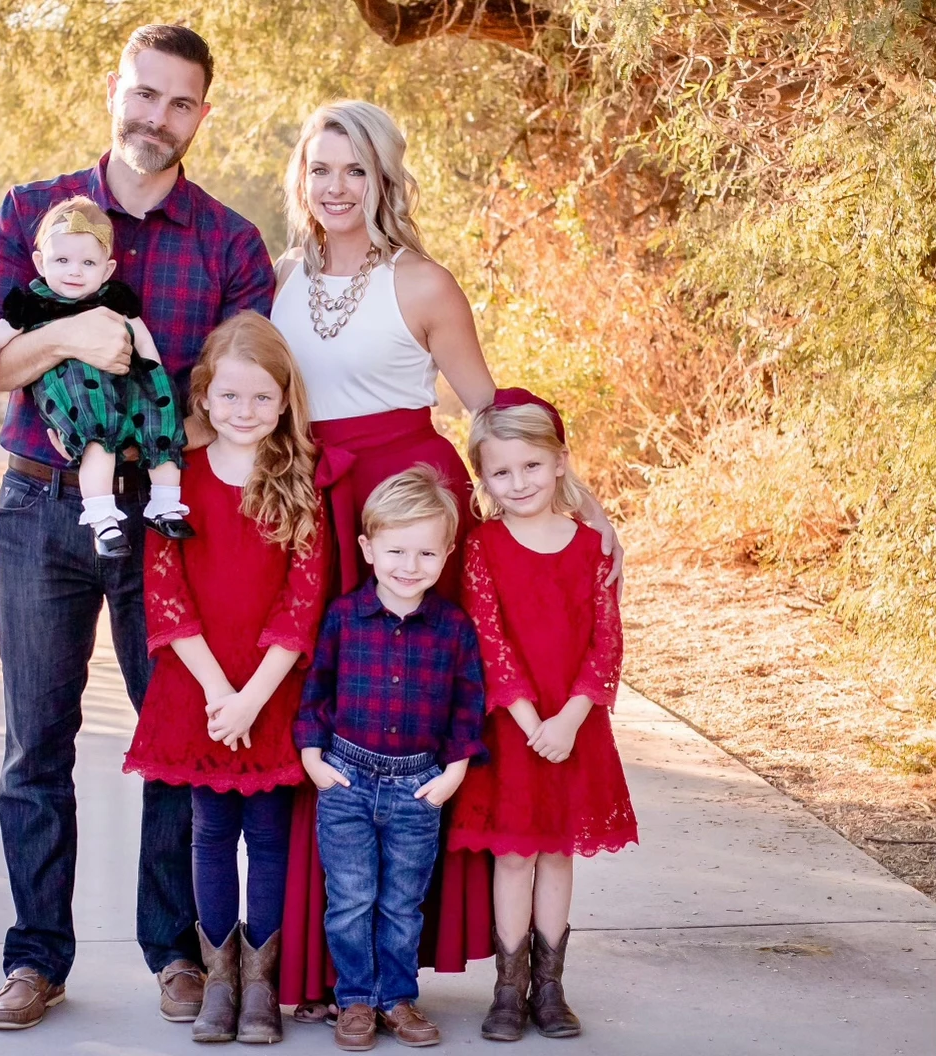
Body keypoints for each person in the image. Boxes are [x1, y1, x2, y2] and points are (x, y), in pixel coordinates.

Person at [269, 98, 623, 1017]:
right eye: (320, 168)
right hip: (322, 505)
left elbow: (488, 410)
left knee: (423, 703)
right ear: (300, 178)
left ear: (384, 177)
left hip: (414, 504)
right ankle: (322, 968)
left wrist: (580, 497)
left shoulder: (422, 283)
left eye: (355, 169)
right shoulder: (278, 280)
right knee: (331, 704)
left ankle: (438, 962)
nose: (336, 187)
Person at [0, 24, 274, 1031]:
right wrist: (70, 334)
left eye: (179, 103)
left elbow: (239, 398)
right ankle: (35, 958)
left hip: (166, 518)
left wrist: (150, 430)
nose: (157, 118)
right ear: (113, 90)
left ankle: (175, 952)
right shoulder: (31, 212)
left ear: (202, 115)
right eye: (144, 94)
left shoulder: (228, 242)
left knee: (172, 737)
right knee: (34, 745)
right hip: (38, 504)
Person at [123, 312, 329, 1044]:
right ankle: (218, 981)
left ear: (284, 400)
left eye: (262, 398)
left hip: (271, 689)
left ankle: (260, 985)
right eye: (231, 396)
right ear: (204, 396)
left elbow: (303, 598)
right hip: (201, 690)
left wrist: (252, 699)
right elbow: (165, 591)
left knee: (269, 836)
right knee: (209, 833)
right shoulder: (176, 480)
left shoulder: (298, 480)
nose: (246, 411)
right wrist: (219, 695)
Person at [448, 389, 638, 1041]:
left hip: (573, 729)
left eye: (531, 465)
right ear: (483, 478)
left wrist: (569, 720)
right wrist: (532, 724)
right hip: (513, 728)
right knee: (512, 857)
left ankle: (550, 990)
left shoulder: (592, 546)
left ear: (559, 462)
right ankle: (508, 989)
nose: (518, 481)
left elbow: (606, 643)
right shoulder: (483, 546)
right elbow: (488, 638)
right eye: (500, 471)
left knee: (556, 853)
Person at [296, 466, 487, 1051]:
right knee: (351, 899)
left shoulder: (453, 628)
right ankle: (355, 999)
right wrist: (313, 758)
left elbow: (468, 704)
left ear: (447, 554)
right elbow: (316, 689)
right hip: (346, 779)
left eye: (426, 553)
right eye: (396, 550)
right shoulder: (343, 617)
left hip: (418, 786)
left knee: (403, 903)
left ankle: (397, 998)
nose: (410, 565)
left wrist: (453, 772)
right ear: (367, 549)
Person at [0, 195, 192, 556]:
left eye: (88, 263)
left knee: (159, 420)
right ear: (40, 262)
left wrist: (155, 374)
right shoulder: (34, 303)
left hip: (125, 386)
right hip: (75, 397)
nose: (74, 272)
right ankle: (103, 518)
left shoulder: (113, 298)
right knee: (97, 439)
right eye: (62, 261)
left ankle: (164, 503)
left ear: (107, 269)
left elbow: (141, 336)